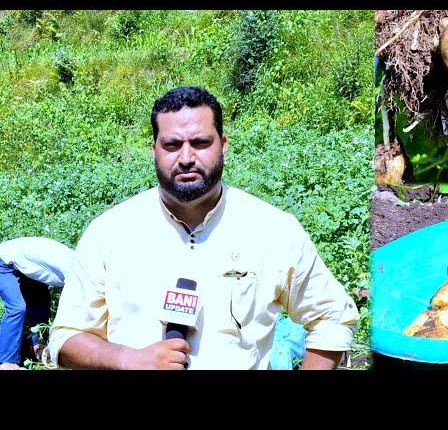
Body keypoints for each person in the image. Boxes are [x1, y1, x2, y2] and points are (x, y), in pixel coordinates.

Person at [48, 86, 359, 370]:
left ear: (223, 145)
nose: (186, 158)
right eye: (171, 145)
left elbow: (333, 317)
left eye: (200, 143)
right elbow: (65, 338)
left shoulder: (273, 231)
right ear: (153, 149)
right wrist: (128, 359)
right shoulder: (110, 233)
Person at [0, 237, 77, 368]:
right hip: (4, 260)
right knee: (17, 307)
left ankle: (37, 347)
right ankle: (6, 362)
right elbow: (75, 306)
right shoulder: (75, 269)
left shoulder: (80, 264)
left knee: (41, 303)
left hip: (28, 266)